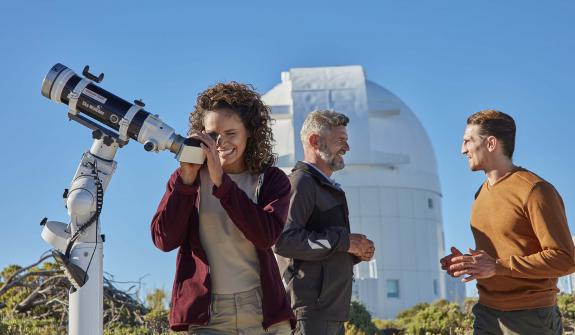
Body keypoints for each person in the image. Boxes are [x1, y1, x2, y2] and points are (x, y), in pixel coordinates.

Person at [150, 82, 294, 334]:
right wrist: (186, 182)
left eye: (231, 133)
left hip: (264, 312)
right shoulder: (186, 179)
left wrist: (221, 182)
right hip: (208, 315)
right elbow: (164, 240)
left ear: (250, 132)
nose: (221, 143)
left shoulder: (271, 180)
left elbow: (266, 235)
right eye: (213, 135)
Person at [441, 110, 575, 335]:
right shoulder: (480, 195)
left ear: (491, 143)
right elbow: (498, 256)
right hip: (486, 313)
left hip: (530, 318)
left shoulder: (535, 190)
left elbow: (566, 259)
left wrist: (497, 266)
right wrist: (468, 263)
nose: (462, 149)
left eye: (467, 141)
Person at [274, 110, 375, 335]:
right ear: (314, 140)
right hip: (310, 315)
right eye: (341, 141)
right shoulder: (301, 184)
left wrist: (355, 251)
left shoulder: (326, 188)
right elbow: (284, 241)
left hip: (331, 314)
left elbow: (323, 249)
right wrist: (344, 243)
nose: (347, 148)